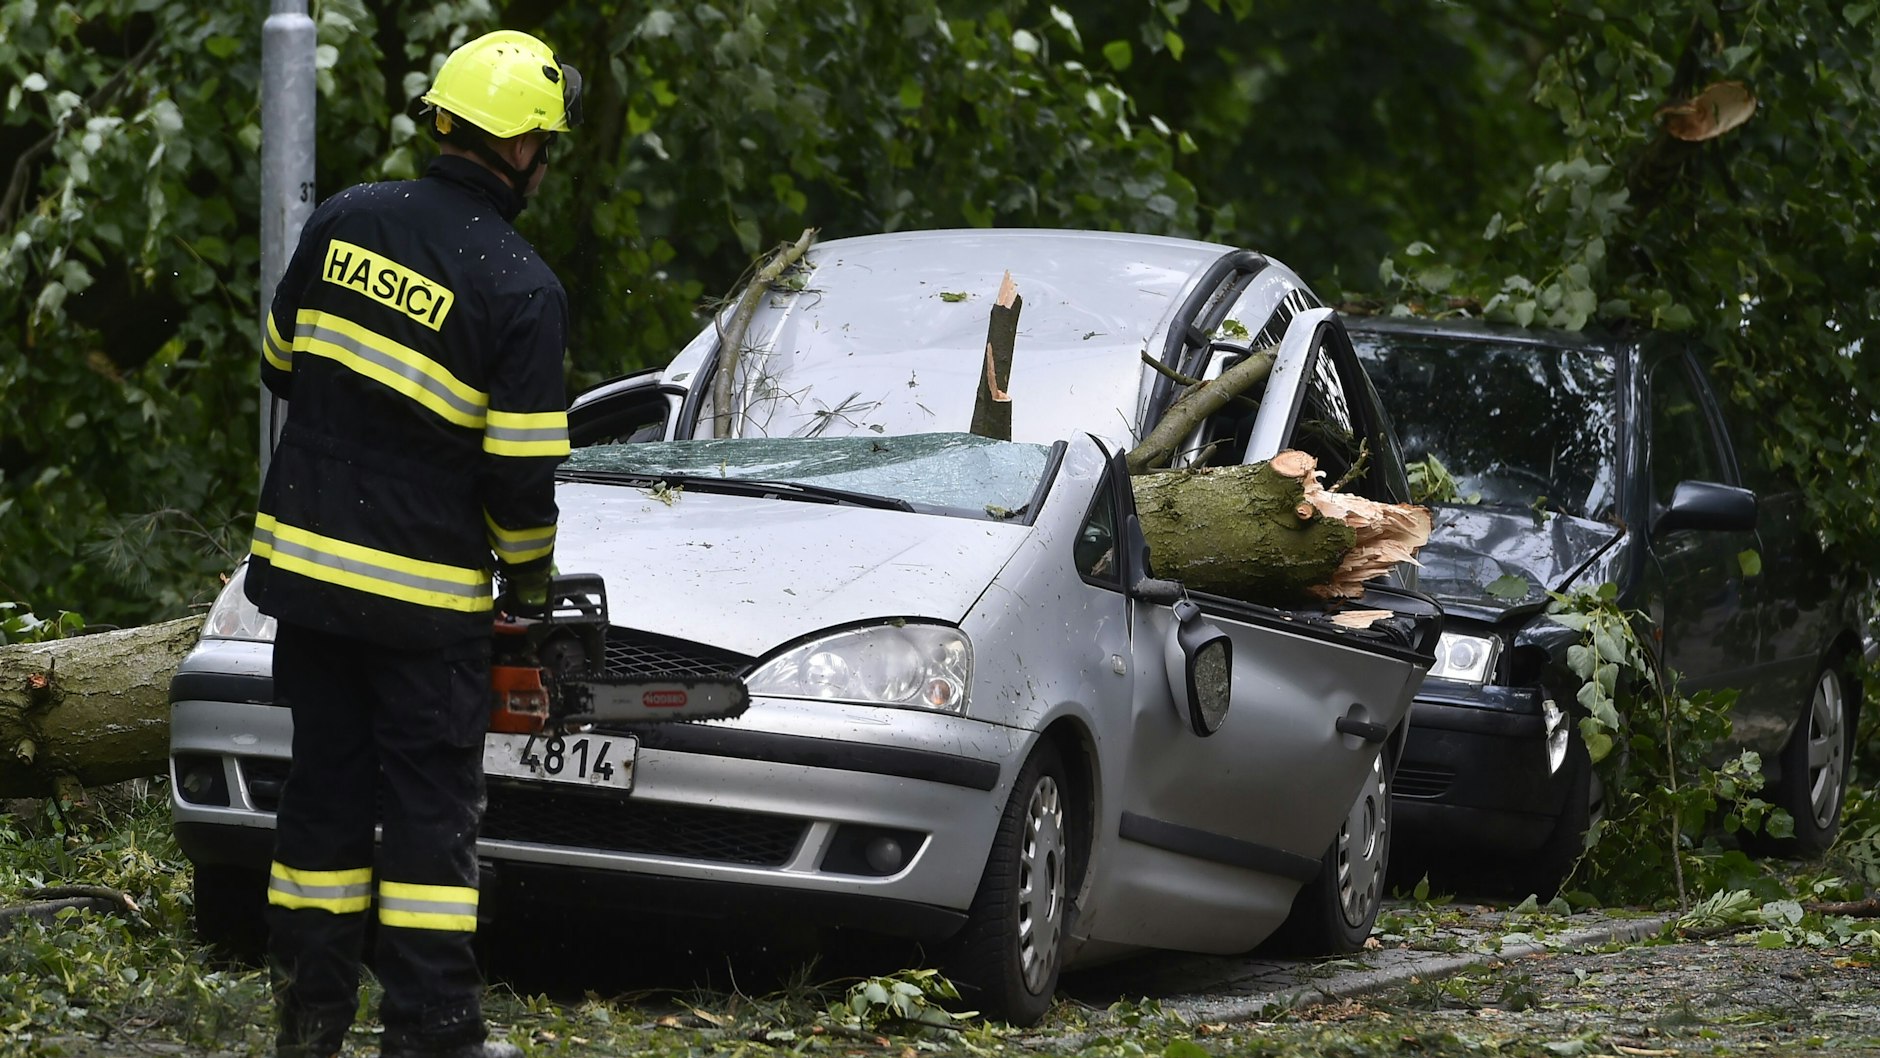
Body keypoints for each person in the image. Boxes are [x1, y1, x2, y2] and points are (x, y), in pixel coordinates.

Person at [244, 29, 583, 1058]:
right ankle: (432, 1028)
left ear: (442, 119)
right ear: (522, 148)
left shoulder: (346, 218)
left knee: (323, 800)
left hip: (306, 584)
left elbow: (277, 361)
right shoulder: (521, 289)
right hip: (423, 609)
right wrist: (529, 582)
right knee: (432, 820)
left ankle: (310, 1014)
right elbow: (520, 483)